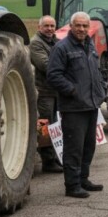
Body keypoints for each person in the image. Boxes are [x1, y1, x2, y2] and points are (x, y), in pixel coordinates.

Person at [47, 12, 106, 198]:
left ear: (89, 27)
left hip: (91, 105)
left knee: (88, 146)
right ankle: (72, 185)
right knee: (74, 148)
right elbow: (53, 75)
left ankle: (83, 179)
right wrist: (72, 91)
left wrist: (101, 90)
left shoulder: (90, 46)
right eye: (78, 26)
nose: (81, 29)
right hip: (73, 108)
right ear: (71, 27)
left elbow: (96, 72)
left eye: (85, 26)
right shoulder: (62, 48)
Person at [30, 15, 63, 173]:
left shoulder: (56, 41)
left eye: (52, 26)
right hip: (44, 92)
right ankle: (48, 161)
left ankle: (56, 157)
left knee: (55, 126)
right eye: (46, 26)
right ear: (39, 27)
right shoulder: (36, 43)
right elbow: (45, 65)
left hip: (56, 91)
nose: (50, 29)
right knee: (44, 126)